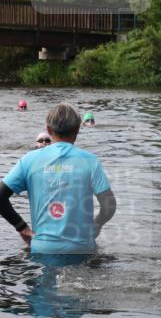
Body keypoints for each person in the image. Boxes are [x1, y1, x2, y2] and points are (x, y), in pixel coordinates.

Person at [0, 103, 116, 254]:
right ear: (78, 130)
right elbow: (109, 205)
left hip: (42, 250)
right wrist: (97, 224)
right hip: (82, 250)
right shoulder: (90, 161)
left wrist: (22, 227)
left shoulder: (29, 160)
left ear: (48, 130)